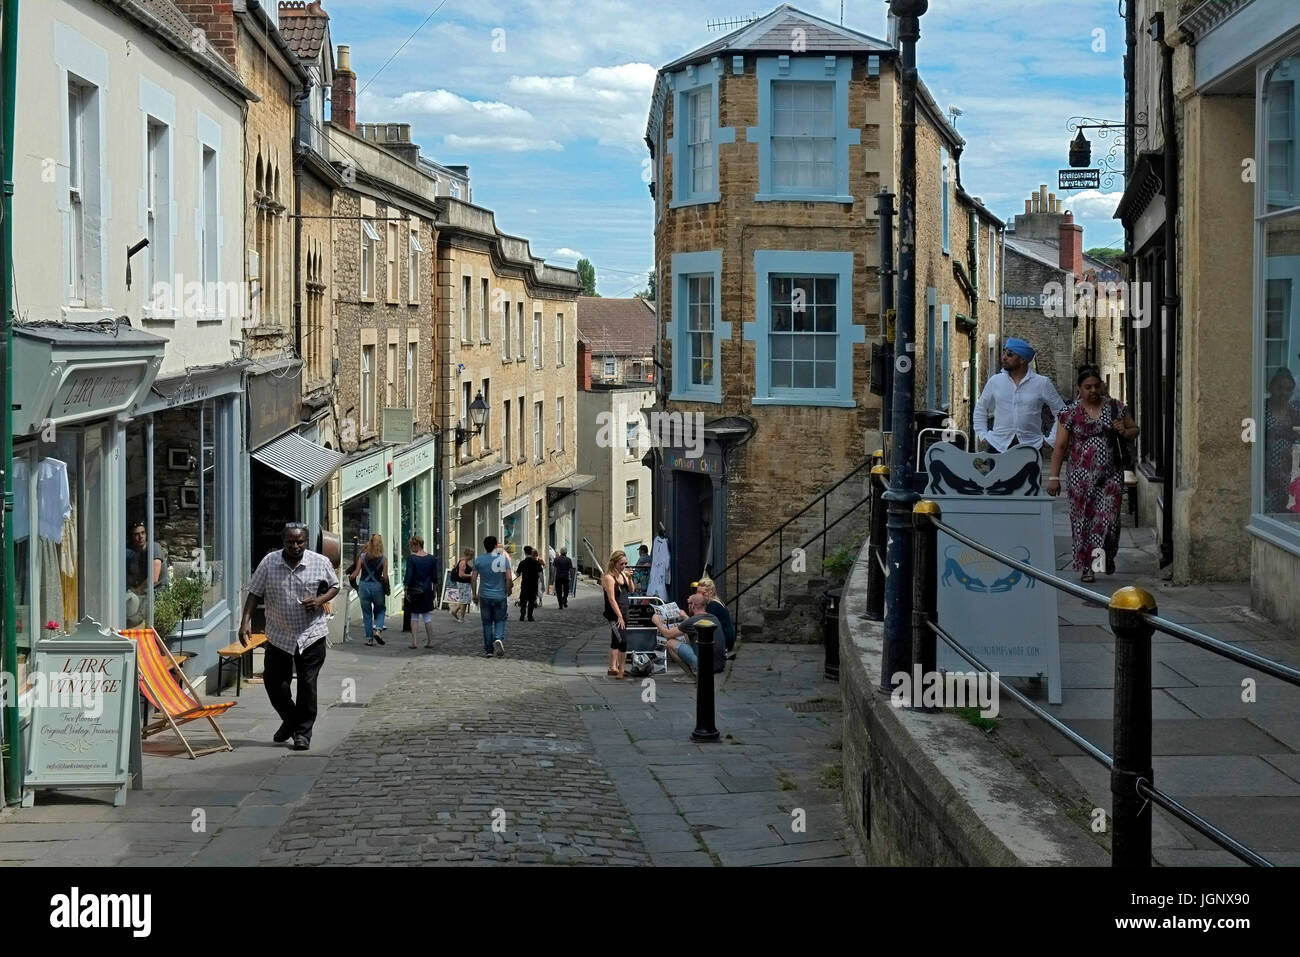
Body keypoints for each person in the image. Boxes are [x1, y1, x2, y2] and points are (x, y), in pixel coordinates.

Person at [239, 522, 339, 751]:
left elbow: (335, 586)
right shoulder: (269, 562)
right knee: (274, 683)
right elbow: (254, 592)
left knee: (307, 684)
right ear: (283, 541)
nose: (295, 546)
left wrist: (319, 601)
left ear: (306, 541)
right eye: (290, 542)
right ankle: (291, 719)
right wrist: (245, 621)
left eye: (300, 542)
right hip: (279, 634)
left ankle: (302, 733)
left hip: (311, 633)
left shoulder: (320, 562)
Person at [1048, 366, 1139, 583]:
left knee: (1109, 521)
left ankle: (1105, 557)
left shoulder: (1116, 407)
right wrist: (1053, 477)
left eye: (1097, 386)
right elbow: (1060, 446)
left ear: (1102, 386)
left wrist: (1124, 431)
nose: (1093, 391)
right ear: (1079, 389)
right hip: (1080, 477)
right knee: (1083, 522)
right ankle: (1088, 567)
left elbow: (1134, 429)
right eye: (1088, 387)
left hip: (1111, 475)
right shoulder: (1070, 413)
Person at [973, 337, 1066, 453]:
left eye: (1009, 354)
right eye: (1004, 353)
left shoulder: (1042, 383)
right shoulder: (995, 381)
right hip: (998, 446)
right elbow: (980, 409)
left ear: (1022, 359)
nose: (1004, 357)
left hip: (1031, 447)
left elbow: (1063, 412)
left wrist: (1051, 440)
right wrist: (982, 435)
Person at [652, 592, 727, 677]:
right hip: (720, 664)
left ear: (693, 605)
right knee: (687, 637)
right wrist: (685, 617)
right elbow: (692, 633)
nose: (687, 606)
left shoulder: (692, 621)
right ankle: (695, 672)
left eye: (688, 603)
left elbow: (668, 634)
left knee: (670, 643)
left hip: (705, 666)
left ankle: (691, 676)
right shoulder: (714, 618)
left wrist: (657, 622)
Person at [1264, 367, 1300, 513]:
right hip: (1265, 471)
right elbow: (1248, 439)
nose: (1284, 392)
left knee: (1283, 508)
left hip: (1286, 471)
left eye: (1288, 389)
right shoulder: (1261, 409)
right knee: (1266, 509)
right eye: (1280, 388)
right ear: (1270, 387)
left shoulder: (1293, 412)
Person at [471, 536, 513, 658]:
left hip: (484, 595)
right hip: (499, 595)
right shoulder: (503, 559)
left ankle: (489, 650)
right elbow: (509, 577)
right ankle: (498, 638)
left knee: (487, 623)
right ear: (495, 546)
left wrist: (474, 594)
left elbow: (473, 578)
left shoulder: (479, 560)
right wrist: (508, 590)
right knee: (500, 619)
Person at [126, 522, 168, 627]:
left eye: (143, 533)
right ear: (132, 537)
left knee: (133, 619)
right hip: (144, 593)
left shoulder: (154, 547)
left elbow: (154, 578)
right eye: (137, 534)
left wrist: (136, 590)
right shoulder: (133, 552)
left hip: (157, 592)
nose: (141, 537)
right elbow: (133, 576)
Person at [349, 534, 389, 646]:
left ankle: (369, 639)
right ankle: (378, 631)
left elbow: (355, 573)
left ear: (370, 543)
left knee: (367, 613)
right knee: (380, 610)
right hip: (377, 587)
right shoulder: (384, 559)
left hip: (364, 586)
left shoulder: (362, 557)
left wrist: (351, 576)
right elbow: (385, 576)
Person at [602, 550, 633, 679]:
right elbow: (611, 599)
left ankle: (612, 668)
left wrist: (630, 578)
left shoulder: (623, 574)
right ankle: (621, 669)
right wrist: (619, 616)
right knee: (622, 640)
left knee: (615, 640)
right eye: (621, 564)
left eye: (625, 563)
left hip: (625, 611)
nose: (624, 566)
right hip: (615, 614)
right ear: (614, 563)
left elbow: (631, 590)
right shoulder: (609, 578)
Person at [404, 535, 437, 649]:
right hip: (427, 590)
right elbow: (434, 577)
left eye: (411, 545)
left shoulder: (412, 559)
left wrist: (406, 587)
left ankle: (414, 642)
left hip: (414, 590)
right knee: (427, 616)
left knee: (414, 616)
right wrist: (434, 590)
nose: (410, 547)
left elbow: (409, 575)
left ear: (417, 545)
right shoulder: (431, 558)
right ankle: (430, 641)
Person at [694, 577, 736, 654]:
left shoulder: (712, 605)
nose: (699, 596)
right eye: (698, 593)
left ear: (710, 592)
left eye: (703, 593)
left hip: (724, 643)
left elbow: (702, 625)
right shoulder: (715, 602)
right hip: (726, 641)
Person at [516, 545, 544, 621]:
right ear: (531, 552)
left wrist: (518, 572)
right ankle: (530, 616)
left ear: (524, 552)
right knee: (531, 601)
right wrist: (543, 585)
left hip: (525, 584)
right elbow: (540, 575)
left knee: (523, 600)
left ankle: (522, 615)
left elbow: (517, 574)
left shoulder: (522, 563)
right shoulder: (536, 563)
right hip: (533, 584)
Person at [448, 548, 475, 623]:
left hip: (464, 584)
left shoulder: (463, 561)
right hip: (463, 584)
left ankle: (455, 611)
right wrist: (471, 575)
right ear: (469, 555)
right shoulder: (463, 562)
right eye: (472, 555)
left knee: (464, 600)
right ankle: (461, 618)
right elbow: (461, 575)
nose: (472, 557)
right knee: (464, 601)